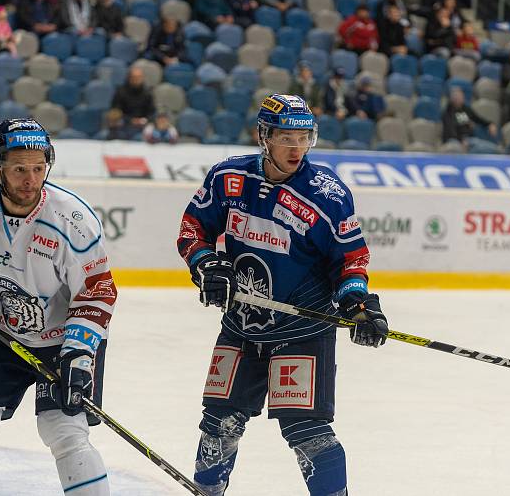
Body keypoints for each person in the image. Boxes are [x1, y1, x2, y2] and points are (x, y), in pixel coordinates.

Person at [176, 93, 389, 496]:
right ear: (264, 136)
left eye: (304, 137)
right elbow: (193, 230)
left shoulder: (327, 193)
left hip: (303, 328)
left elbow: (350, 259)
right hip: (240, 326)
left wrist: (358, 302)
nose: (296, 148)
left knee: (308, 432)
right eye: (286, 137)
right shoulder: (227, 178)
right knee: (219, 424)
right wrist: (206, 264)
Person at [0, 118, 116, 495]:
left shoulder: (72, 220)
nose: (30, 179)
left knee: (64, 432)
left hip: (63, 342)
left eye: (38, 168)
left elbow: (98, 291)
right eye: (18, 169)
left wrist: (79, 354)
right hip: (4, 335)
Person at [111, 67, 156, 136]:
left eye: (139, 77)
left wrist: (144, 120)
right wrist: (130, 120)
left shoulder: (147, 93)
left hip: (143, 124)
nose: (137, 80)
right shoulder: (120, 92)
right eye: (134, 77)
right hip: (124, 124)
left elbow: (151, 112)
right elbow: (116, 111)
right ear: (129, 78)